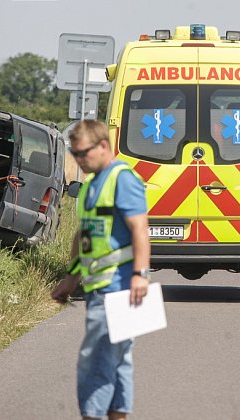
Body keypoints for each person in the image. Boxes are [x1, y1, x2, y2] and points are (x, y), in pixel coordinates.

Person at [51, 120, 150, 420]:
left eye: (83, 154)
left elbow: (140, 230)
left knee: (95, 363)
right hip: (99, 289)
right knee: (117, 362)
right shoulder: (94, 182)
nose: (79, 160)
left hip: (118, 289)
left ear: (103, 146)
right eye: (75, 154)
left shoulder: (123, 180)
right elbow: (83, 235)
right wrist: (70, 279)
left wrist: (139, 275)